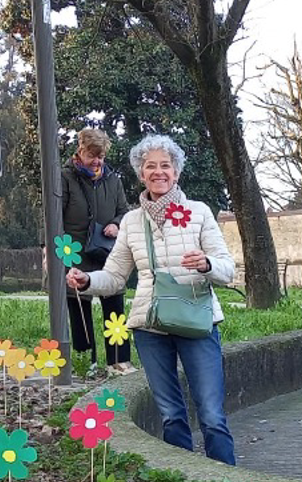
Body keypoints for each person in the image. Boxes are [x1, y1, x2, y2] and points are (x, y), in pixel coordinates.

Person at [65, 135, 237, 465]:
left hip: (197, 322)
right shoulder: (131, 221)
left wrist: (206, 263)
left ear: (176, 172)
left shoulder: (198, 212)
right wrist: (87, 281)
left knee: (212, 416)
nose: (158, 172)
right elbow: (114, 276)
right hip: (150, 326)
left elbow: (227, 269)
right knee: (171, 415)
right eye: (150, 167)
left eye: (165, 166)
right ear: (141, 174)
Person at [62, 127, 134, 375]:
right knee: (79, 308)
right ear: (80, 151)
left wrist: (116, 223)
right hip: (73, 252)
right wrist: (48, 250)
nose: (97, 162)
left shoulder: (113, 180)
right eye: (92, 155)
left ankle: (119, 361)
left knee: (115, 307)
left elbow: (125, 211)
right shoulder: (64, 178)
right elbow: (51, 216)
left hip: (106, 253)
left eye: (101, 156)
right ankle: (86, 363)